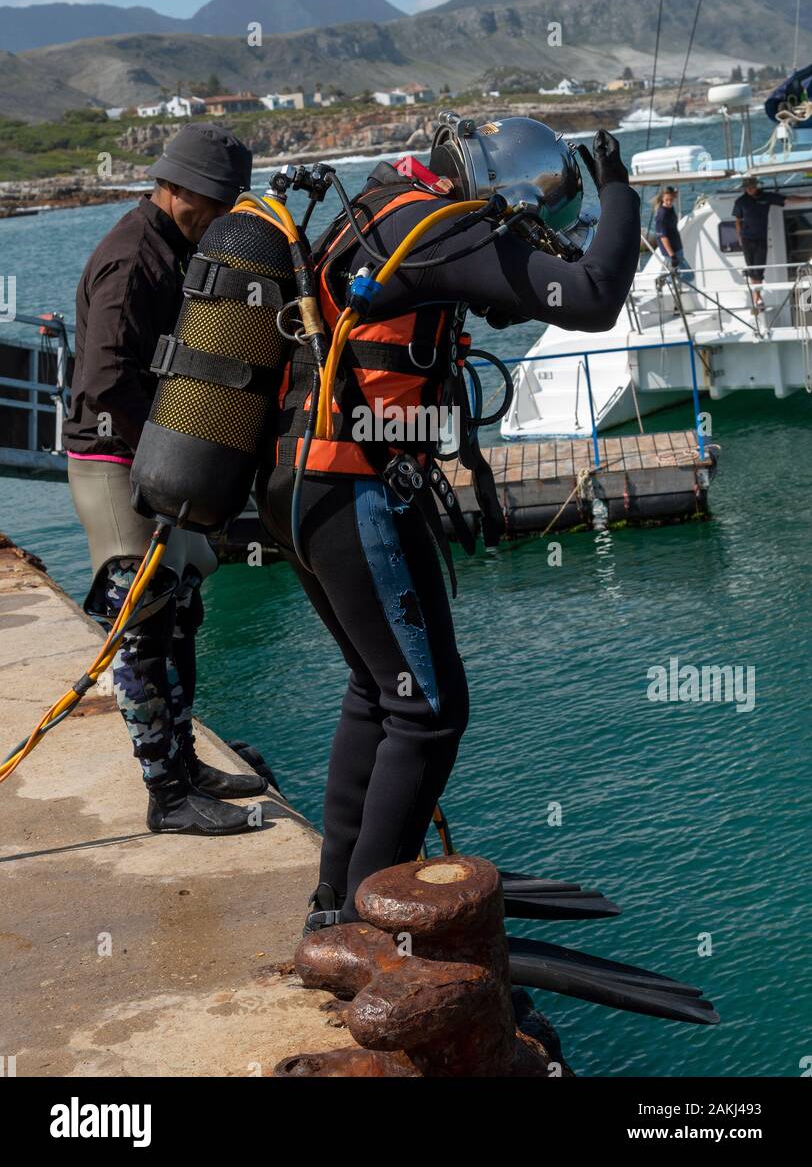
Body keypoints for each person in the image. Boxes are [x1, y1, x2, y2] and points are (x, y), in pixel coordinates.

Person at [256, 119, 642, 928]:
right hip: (352, 485)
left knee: (380, 691)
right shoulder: (448, 228)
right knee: (428, 714)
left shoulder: (384, 205)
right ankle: (372, 923)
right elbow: (595, 298)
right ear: (498, 190)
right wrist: (618, 191)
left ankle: (337, 900)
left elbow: (471, 300)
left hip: (299, 485)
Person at [62, 122, 266, 835]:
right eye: (207, 201)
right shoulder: (132, 258)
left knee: (181, 611)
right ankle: (167, 797)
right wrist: (169, 451)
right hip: (115, 461)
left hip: (156, 458)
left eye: (223, 204)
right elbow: (103, 384)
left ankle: (184, 761)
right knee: (143, 627)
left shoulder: (175, 249)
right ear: (173, 185)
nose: (213, 215)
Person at [731, 176, 807, 311]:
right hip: (747, 239)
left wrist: (808, 199)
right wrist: (739, 237)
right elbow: (738, 220)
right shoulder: (740, 202)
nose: (750, 189)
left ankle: (757, 296)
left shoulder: (766, 197)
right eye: (747, 187)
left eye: (752, 186)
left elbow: (787, 199)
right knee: (753, 269)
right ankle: (758, 298)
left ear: (757, 186)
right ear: (744, 188)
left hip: (761, 238)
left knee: (759, 270)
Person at [653, 186, 691, 279]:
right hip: (671, 252)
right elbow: (663, 237)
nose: (669, 202)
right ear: (662, 199)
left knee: (680, 275)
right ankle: (664, 282)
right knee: (688, 276)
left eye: (671, 199)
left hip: (677, 248)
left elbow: (674, 194)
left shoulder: (669, 208)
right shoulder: (662, 215)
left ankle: (669, 283)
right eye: (667, 200)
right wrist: (672, 256)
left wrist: (675, 191)